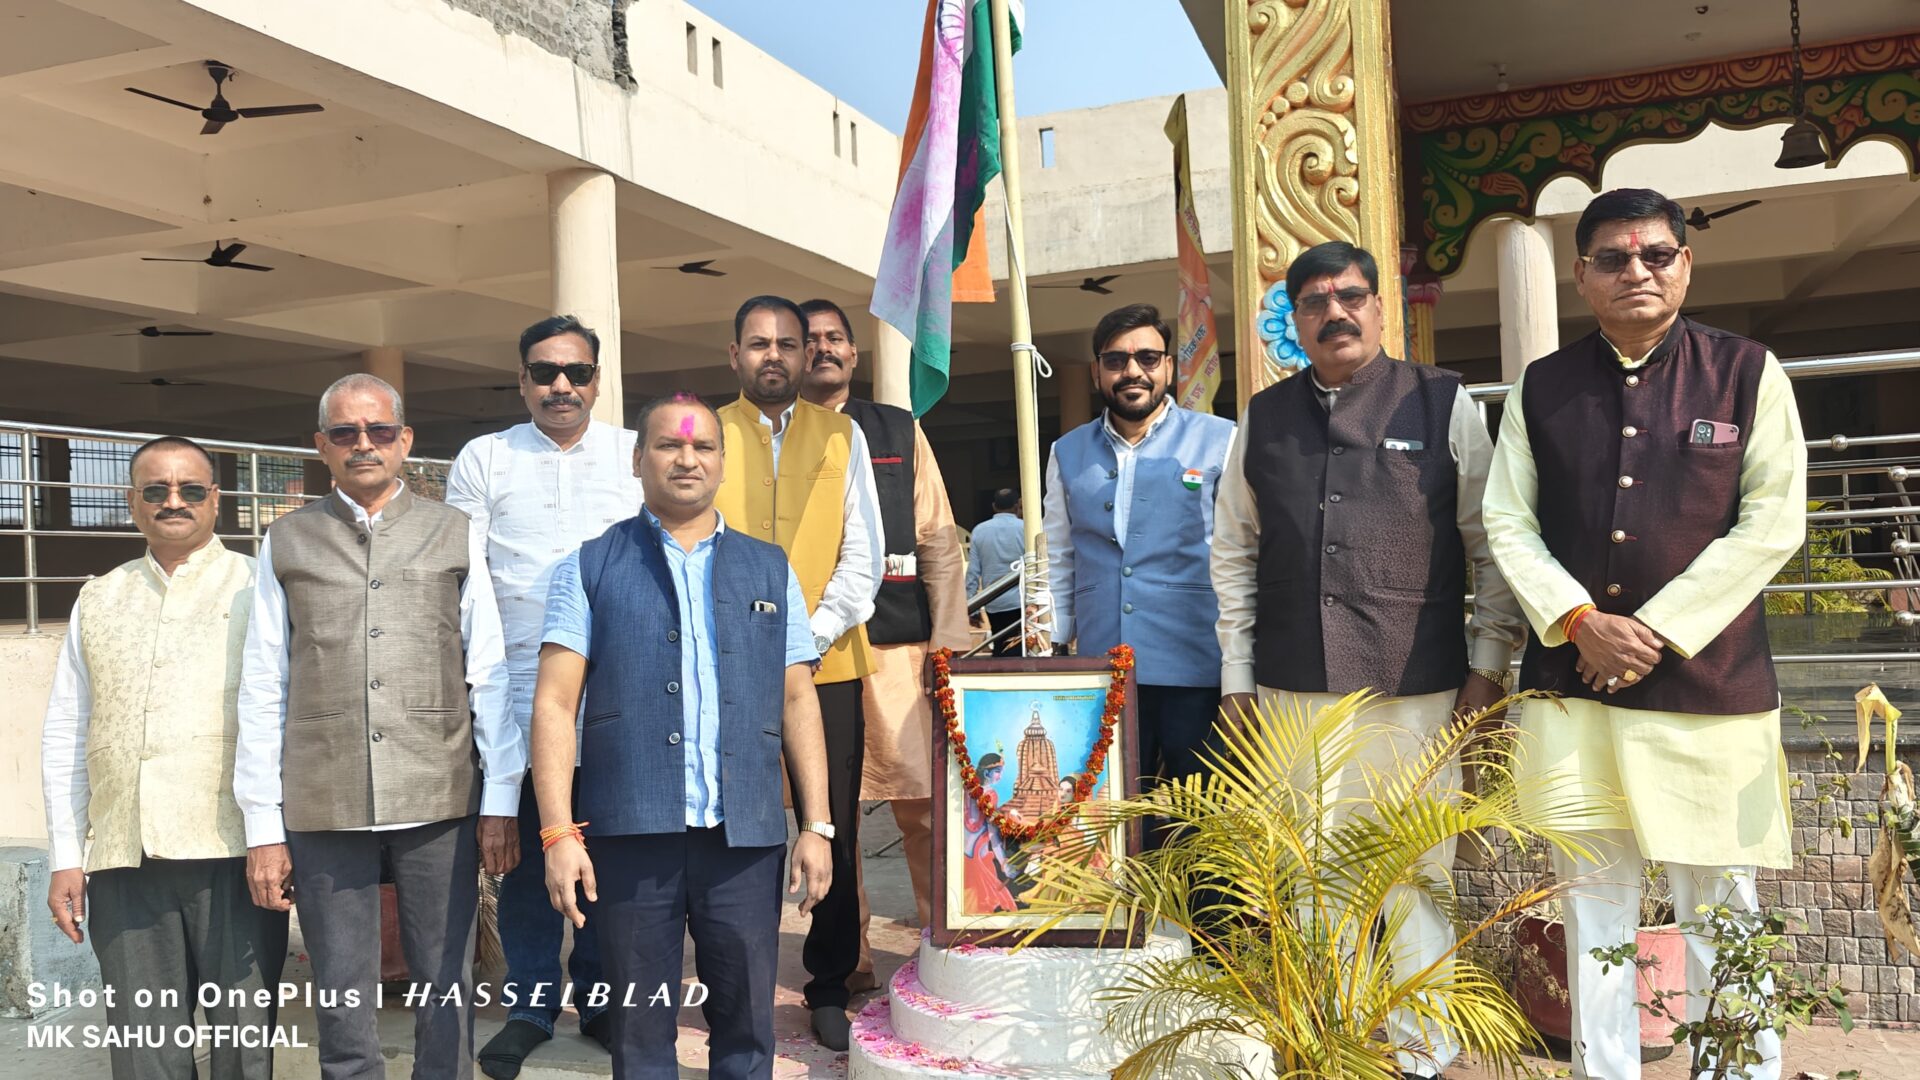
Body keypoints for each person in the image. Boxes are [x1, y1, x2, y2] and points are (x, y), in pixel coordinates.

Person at [1483, 188, 1807, 1080]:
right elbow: (1507, 520)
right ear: (1580, 274)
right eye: (1615, 258)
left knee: (1721, 907)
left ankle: (1738, 1071)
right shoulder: (1542, 386)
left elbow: (1773, 521)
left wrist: (1655, 630)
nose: (1638, 271)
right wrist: (1579, 621)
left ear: (1685, 264)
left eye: (1657, 254)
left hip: (1710, 690)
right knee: (1592, 907)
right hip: (1575, 684)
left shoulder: (1746, 372)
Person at [1210, 241, 1525, 1080]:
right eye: (1315, 302)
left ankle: (1425, 1048)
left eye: (1351, 296)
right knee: (1310, 873)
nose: (1335, 312)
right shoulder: (1263, 418)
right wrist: (1237, 677)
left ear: (1381, 308)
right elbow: (1234, 551)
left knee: (1416, 871)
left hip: (1416, 688)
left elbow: (1491, 546)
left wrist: (1489, 666)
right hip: (1291, 689)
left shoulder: (1442, 401)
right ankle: (1333, 1043)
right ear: (1295, 320)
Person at [533, 392, 834, 1079]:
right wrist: (558, 833)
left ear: (723, 462)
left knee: (748, 1024)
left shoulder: (769, 567)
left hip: (744, 839)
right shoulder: (590, 565)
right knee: (639, 1030)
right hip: (631, 837)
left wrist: (817, 825)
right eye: (669, 444)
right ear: (639, 459)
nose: (687, 458)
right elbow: (554, 702)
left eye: (702, 446)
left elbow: (797, 697)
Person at [235, 373, 522, 1080]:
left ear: (405, 440)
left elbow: (488, 670)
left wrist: (501, 798)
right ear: (322, 445)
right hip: (322, 795)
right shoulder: (287, 539)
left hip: (439, 790)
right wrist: (262, 823)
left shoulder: (453, 532)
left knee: (445, 985)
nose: (363, 444)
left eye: (379, 430)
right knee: (340, 992)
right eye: (345, 432)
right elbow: (264, 681)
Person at [41, 436, 288, 1080]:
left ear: (216, 500)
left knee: (242, 1045)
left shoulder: (260, 586)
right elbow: (69, 728)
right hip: (126, 858)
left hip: (232, 853)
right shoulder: (99, 597)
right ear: (132, 503)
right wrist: (67, 854)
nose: (173, 502)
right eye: (156, 490)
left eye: (190, 489)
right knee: (144, 1047)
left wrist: (277, 837)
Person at [447, 315, 640, 1078]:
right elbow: (468, 587)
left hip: (617, 697)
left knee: (609, 861)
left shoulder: (633, 454)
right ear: (522, 380)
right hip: (520, 696)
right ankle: (529, 1007)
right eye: (546, 372)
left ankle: (599, 1001)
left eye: (577, 372)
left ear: (597, 380)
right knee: (525, 863)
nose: (562, 385)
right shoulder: (485, 458)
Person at [711, 294, 881, 1051]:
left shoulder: (842, 435)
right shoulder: (706, 432)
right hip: (722, 662)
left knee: (829, 820)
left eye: (787, 343)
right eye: (759, 343)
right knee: (731, 827)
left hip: (826, 662)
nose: (775, 355)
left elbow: (862, 556)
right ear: (735, 355)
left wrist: (804, 639)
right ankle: (735, 979)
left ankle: (829, 982)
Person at [797, 298, 971, 987]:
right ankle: (849, 962)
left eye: (834, 338)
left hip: (899, 646)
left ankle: (945, 949)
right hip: (815, 652)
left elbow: (939, 540)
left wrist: (947, 639)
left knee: (924, 806)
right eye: (809, 340)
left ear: (853, 352)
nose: (823, 349)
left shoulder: (898, 429)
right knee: (828, 814)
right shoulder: (775, 432)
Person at [1042, 303, 1237, 797]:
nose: (1133, 371)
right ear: (1097, 372)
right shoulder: (1066, 451)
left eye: (1147, 358)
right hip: (1100, 665)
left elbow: (1239, 553)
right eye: (1116, 360)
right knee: (1115, 810)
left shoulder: (1220, 440)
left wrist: (1242, 663)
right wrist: (1055, 643)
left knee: (1203, 810)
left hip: (1195, 663)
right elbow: (1060, 555)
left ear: (1168, 366)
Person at [965, 489, 1026, 656]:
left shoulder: (980, 530)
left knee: (1000, 645)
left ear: (994, 506)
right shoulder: (1025, 528)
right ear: (1017, 506)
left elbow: (973, 572)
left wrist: (972, 606)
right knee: (1020, 648)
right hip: (1021, 601)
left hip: (993, 601)